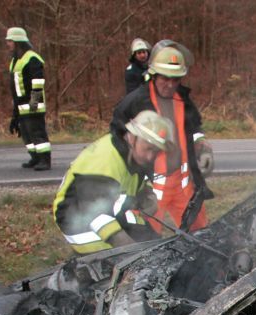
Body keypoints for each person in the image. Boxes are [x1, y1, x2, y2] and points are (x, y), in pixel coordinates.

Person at [111, 40, 213, 233]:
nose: (170, 84)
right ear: (154, 74)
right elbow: (117, 137)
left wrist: (202, 146)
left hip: (183, 185)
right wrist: (132, 174)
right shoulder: (136, 102)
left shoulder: (182, 99)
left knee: (200, 235)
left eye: (176, 79)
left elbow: (194, 127)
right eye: (165, 78)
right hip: (150, 189)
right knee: (145, 239)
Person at [53, 110, 172, 254]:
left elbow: (136, 180)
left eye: (156, 152)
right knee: (122, 258)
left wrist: (146, 194)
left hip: (111, 208)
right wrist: (130, 250)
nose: (150, 156)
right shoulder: (104, 160)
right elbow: (95, 214)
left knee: (153, 244)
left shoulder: (132, 153)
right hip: (78, 217)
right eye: (148, 149)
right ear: (132, 137)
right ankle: (90, 264)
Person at [6, 27, 51, 171]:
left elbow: (37, 83)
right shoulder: (15, 60)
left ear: (18, 42)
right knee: (26, 135)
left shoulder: (32, 58)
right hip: (21, 105)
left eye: (10, 41)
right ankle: (35, 158)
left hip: (33, 104)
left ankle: (45, 160)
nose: (8, 44)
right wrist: (15, 112)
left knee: (37, 133)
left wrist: (34, 104)